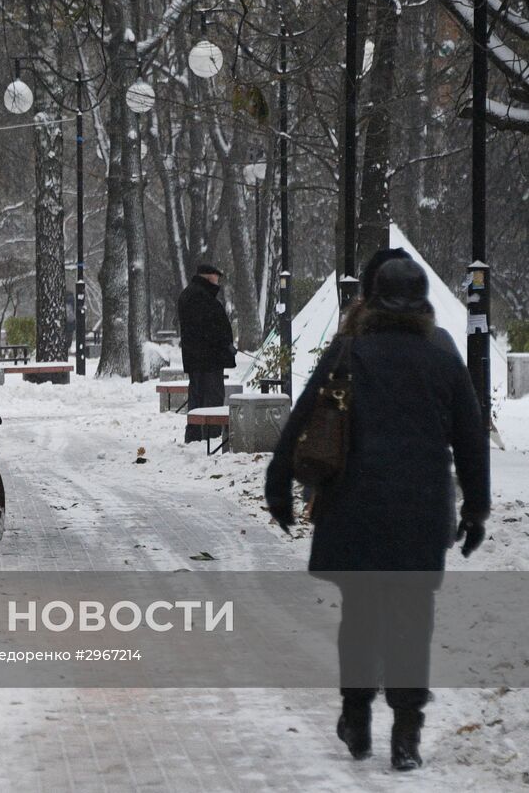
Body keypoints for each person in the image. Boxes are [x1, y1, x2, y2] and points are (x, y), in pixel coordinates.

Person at [266, 257, 490, 771]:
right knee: (413, 622)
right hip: (419, 513)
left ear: (371, 299)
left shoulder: (349, 352)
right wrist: (475, 510)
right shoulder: (442, 357)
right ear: (423, 302)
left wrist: (279, 488)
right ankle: (407, 732)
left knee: (361, 618)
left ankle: (356, 716)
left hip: (354, 509)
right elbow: (471, 440)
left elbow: (302, 418)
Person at [176, 263, 236, 441]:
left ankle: (194, 434)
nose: (218, 282)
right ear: (209, 277)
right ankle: (212, 434)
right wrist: (225, 344)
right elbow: (211, 328)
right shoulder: (204, 298)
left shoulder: (188, 294)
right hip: (210, 359)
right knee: (212, 396)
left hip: (195, 358)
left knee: (196, 395)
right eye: (216, 278)